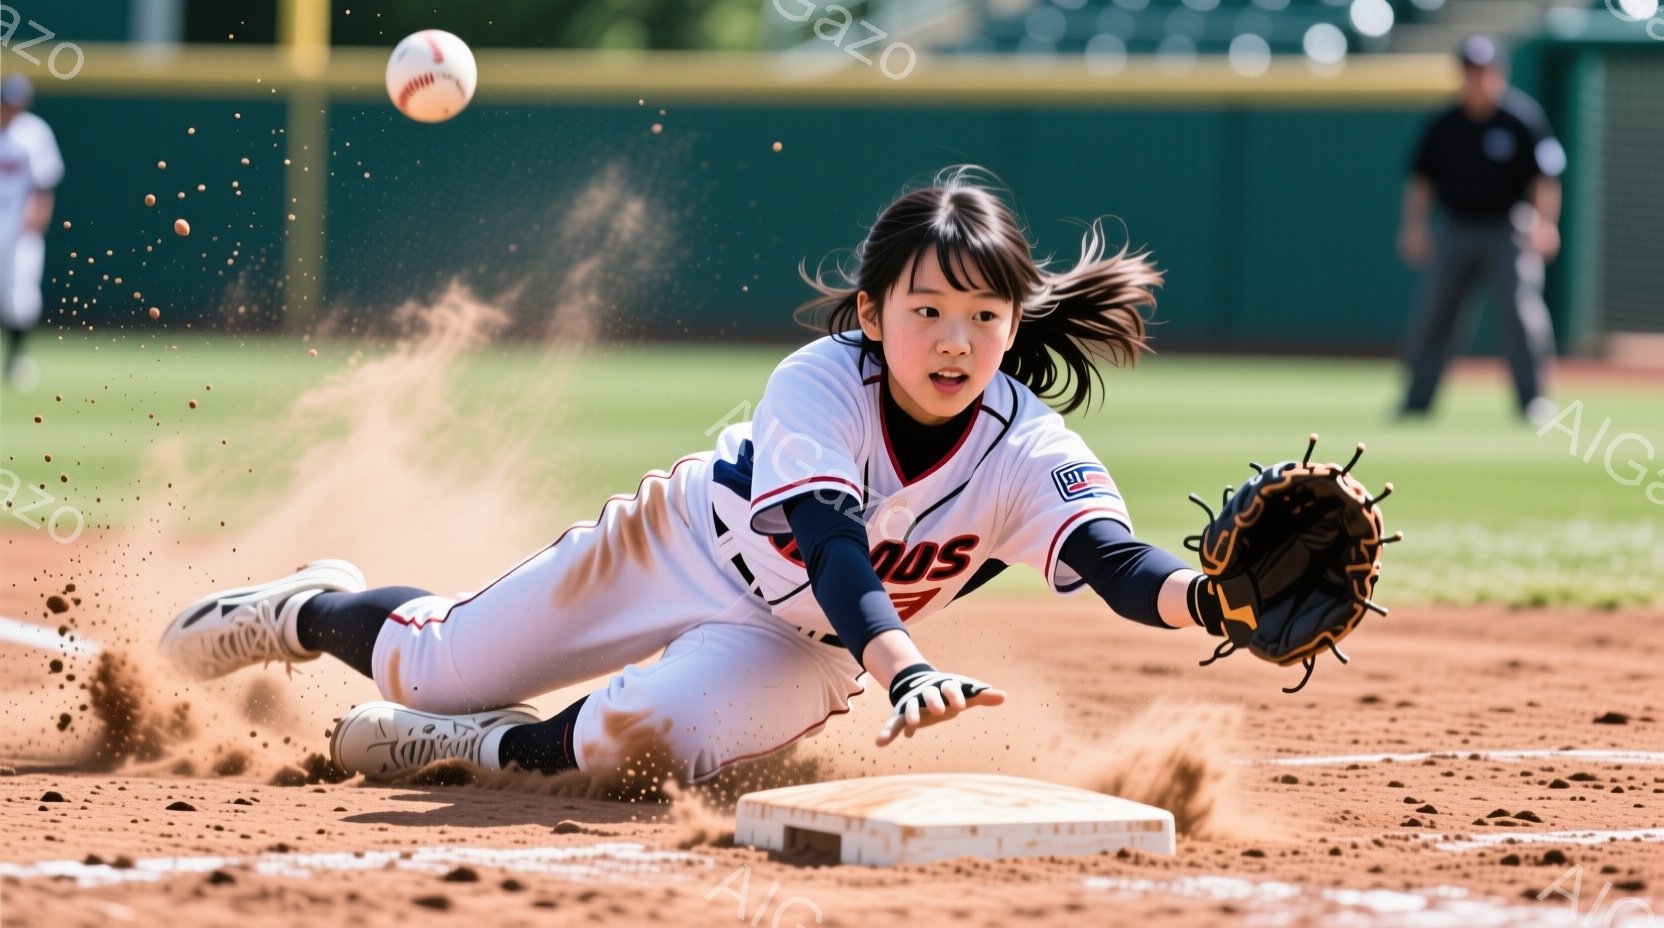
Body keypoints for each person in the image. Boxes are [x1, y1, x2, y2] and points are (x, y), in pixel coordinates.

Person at [160, 166, 1245, 785]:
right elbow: (829, 539)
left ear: (1013, 327)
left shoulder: (1026, 445)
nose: (953, 339)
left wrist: (1205, 598)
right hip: (675, 547)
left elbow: (1109, 557)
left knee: (631, 754)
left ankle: (465, 747)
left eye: (981, 315)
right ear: (870, 315)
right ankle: (307, 607)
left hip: (797, 644)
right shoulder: (818, 384)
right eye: (925, 309)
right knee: (433, 662)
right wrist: (906, 661)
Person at [1397, 35, 1565, 425]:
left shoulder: (1522, 117)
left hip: (1509, 228)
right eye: (1470, 72)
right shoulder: (1444, 122)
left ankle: (1533, 400)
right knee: (1436, 313)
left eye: (1484, 72)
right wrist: (1414, 226)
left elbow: (1546, 178)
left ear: (1499, 74)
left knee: (1521, 312)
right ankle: (1416, 399)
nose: (1477, 80)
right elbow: (1421, 179)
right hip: (1456, 228)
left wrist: (1545, 224)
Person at [0, 75, 63, 391]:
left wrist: (35, 221)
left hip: (17, 228)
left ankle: (15, 361)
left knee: (19, 300)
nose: (12, 108)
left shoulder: (34, 133)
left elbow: (44, 185)